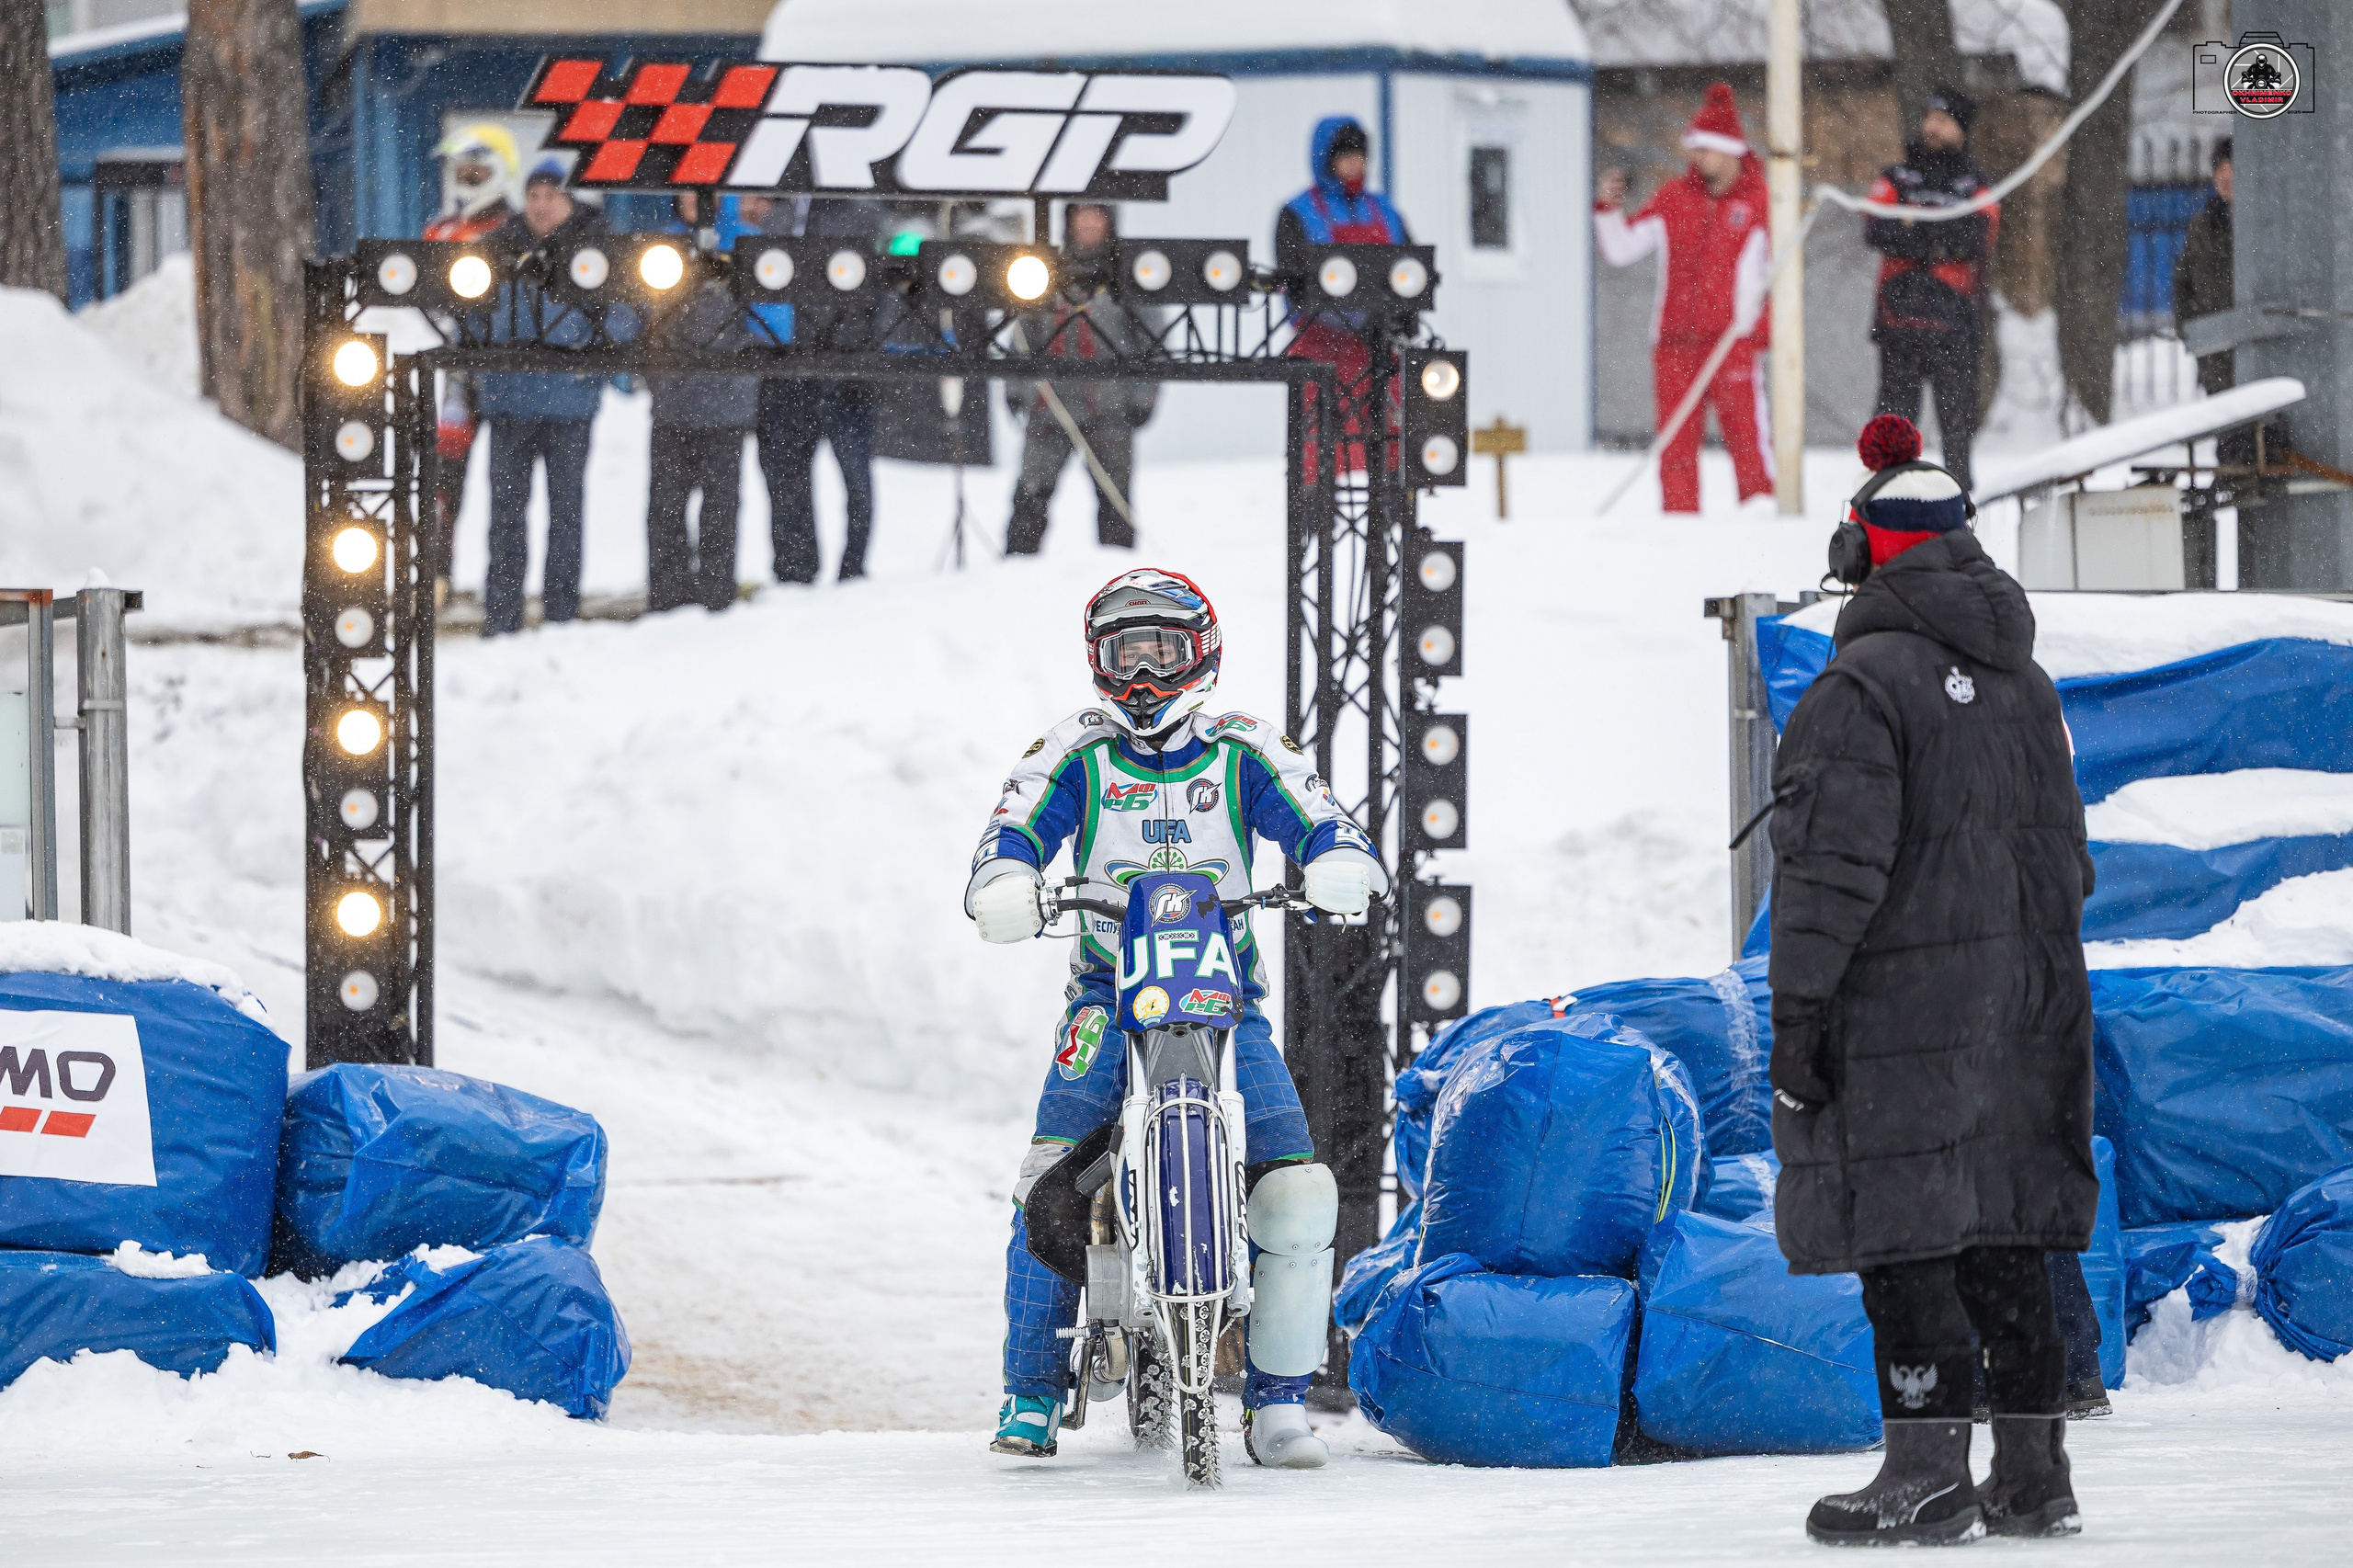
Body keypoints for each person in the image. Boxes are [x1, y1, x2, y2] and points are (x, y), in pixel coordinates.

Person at [964, 568, 1386, 1468]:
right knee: (1047, 1180)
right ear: (1097, 662)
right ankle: (1032, 1391)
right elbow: (1016, 822)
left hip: (1227, 996)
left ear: (1204, 652)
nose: (1146, 675)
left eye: (1165, 649)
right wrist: (1006, 875)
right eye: (1127, 653)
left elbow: (1319, 813)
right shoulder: (1075, 749)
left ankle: (1276, 1404)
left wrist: (1337, 857)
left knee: (1298, 1193)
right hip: (1104, 994)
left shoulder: (1242, 748)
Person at [1768, 413, 2097, 1546]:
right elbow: (2070, 861)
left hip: (1905, 1016)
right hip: (2029, 1009)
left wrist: (1801, 1014)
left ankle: (1922, 1471)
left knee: (1906, 1233)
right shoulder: (2028, 680)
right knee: (2007, 1224)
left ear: (1862, 548)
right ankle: (2030, 1471)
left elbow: (1825, 879)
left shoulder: (1861, 689)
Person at [1594, 82, 1773, 514]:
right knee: (1675, 446)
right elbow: (1622, 250)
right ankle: (1679, 525)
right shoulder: (1673, 198)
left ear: (1731, 151)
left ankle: (1763, 519)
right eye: (1695, 149)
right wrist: (1607, 210)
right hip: (1674, 344)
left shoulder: (1762, 203)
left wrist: (1759, 333)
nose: (1697, 158)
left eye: (1706, 149)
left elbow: (1776, 274)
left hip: (1732, 344)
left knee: (1747, 439)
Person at [473, 160, 612, 638]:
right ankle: (502, 615)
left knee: (566, 513)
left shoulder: (597, 252)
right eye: (534, 194)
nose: (541, 204)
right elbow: (466, 310)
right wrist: (488, 356)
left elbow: (626, 314)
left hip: (570, 405)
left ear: (571, 202)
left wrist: (590, 356)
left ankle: (561, 615)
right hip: (510, 403)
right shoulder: (496, 249)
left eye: (551, 195)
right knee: (505, 517)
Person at [1862, 87, 1999, 495]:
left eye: (1943, 120)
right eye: (1929, 117)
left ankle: (1960, 513)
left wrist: (1911, 226)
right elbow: (1875, 228)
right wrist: (1936, 236)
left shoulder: (1976, 184)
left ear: (1961, 128)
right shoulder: (1895, 176)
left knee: (1957, 432)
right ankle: (1883, 502)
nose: (1932, 126)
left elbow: (1975, 237)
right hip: (1898, 323)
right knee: (1891, 429)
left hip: (1953, 327)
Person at [1004, 202, 1158, 554]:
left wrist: (1143, 397)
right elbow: (1021, 337)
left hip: (1109, 410)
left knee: (1115, 500)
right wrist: (1015, 390)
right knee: (1030, 496)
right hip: (1050, 408)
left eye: (1097, 216)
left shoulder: (1128, 276)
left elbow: (1152, 342)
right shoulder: (1042, 274)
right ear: (1069, 221)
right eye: (1081, 216)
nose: (1089, 224)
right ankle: (1014, 574)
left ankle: (1118, 576)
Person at [756, 196, 888, 584]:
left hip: (847, 369)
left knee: (856, 480)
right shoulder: (779, 215)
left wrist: (862, 352)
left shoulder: (863, 213)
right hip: (785, 369)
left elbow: (885, 291)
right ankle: (795, 570)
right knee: (785, 477)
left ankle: (853, 569)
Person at [1276, 118, 1411, 478]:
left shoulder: (1386, 211)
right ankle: (1312, 516)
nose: (1356, 165)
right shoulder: (1298, 213)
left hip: (1379, 347)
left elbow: (1411, 272)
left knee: (1392, 434)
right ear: (1327, 161)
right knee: (1317, 437)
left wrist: (1397, 318)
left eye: (1360, 156)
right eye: (1346, 157)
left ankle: (1392, 509)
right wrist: (1348, 317)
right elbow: (1295, 282)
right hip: (1320, 345)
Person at [644, 192, 756, 615]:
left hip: (725, 407)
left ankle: (715, 598)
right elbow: (638, 318)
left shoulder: (748, 244)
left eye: (704, 191)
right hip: (672, 404)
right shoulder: (661, 248)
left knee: (720, 509)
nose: (694, 200)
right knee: (665, 509)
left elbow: (774, 322)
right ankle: (667, 599)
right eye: (687, 190)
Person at [425, 124, 522, 599]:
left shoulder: (518, 232)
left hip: (508, 369)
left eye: (477, 169)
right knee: (444, 475)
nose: (467, 177)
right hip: (458, 372)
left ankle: (504, 587)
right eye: (462, 169)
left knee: (509, 485)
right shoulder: (442, 230)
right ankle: (438, 574)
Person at [2174, 137, 2234, 395]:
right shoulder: (2202, 227)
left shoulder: (2266, 226)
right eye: (2219, 168)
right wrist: (2190, 330)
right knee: (2228, 431)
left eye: (2232, 167)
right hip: (2217, 360)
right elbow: (2183, 282)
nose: (2225, 176)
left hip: (2259, 352)